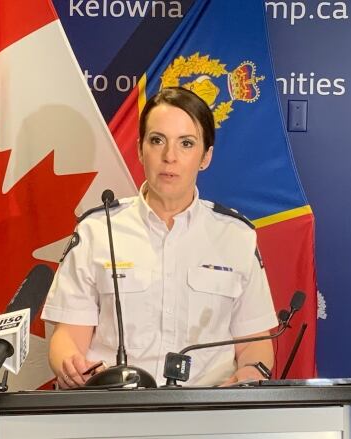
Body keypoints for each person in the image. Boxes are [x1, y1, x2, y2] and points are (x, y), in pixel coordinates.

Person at [41, 87, 278, 388]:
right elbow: (69, 335)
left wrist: (249, 375)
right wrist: (70, 364)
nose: (170, 157)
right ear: (140, 149)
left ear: (206, 157)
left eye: (186, 144)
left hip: (207, 417)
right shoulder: (98, 231)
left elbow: (255, 342)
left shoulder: (236, 236)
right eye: (157, 141)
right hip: (112, 412)